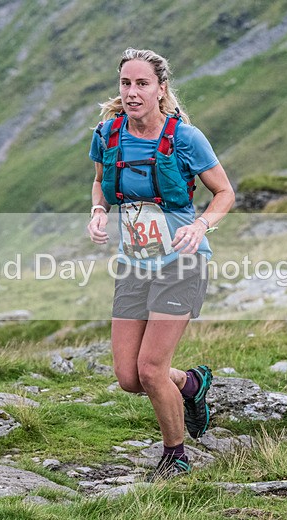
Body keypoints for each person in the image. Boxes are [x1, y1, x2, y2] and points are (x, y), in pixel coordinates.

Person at [86, 48, 235, 481]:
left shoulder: (186, 138)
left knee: (151, 369)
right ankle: (191, 384)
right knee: (129, 377)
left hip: (181, 263)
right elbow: (100, 184)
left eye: (142, 84)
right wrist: (98, 212)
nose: (132, 93)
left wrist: (202, 225)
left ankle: (176, 456)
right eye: (126, 84)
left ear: (161, 89)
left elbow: (224, 193)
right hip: (134, 263)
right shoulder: (107, 134)